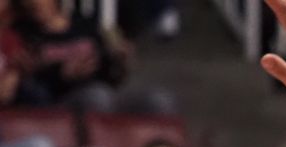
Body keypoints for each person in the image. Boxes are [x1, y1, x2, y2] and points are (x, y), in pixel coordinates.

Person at [14, 0, 173, 113]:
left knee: (157, 100)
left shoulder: (85, 24)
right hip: (62, 101)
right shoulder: (27, 35)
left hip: (104, 91)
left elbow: (111, 74)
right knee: (97, 96)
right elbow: (32, 87)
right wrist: (63, 76)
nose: (33, 4)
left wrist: (119, 60)